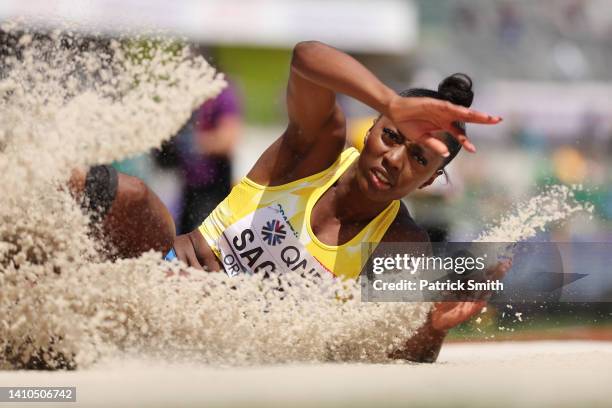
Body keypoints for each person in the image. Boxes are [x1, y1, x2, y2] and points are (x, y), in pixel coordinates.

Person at [70, 41, 508, 363]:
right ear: (372, 127)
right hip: (155, 276)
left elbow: (394, 352)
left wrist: (432, 330)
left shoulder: (401, 242)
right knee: (130, 194)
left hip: (214, 344)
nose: (394, 159)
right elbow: (306, 59)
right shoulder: (314, 152)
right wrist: (393, 100)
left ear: (431, 179)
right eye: (391, 135)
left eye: (417, 157)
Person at [156, 83, 242, 233]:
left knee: (211, 237)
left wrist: (192, 143)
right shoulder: (185, 94)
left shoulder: (222, 92)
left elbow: (227, 140)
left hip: (215, 185)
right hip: (188, 186)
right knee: (184, 234)